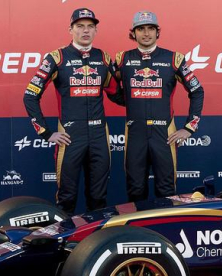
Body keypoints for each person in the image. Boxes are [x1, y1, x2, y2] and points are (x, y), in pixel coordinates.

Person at [23, 8, 121, 216]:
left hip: (98, 136)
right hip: (70, 136)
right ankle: (64, 244)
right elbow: (30, 95)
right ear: (71, 29)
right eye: (80, 26)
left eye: (90, 27)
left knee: (98, 198)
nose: (85, 31)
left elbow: (116, 93)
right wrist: (47, 133)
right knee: (67, 197)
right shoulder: (56, 57)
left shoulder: (103, 58)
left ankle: (94, 245)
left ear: (96, 30)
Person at [114, 11, 204, 201]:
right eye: (141, 29)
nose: (146, 33)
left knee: (166, 190)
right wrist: (130, 99)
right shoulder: (122, 59)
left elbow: (197, 90)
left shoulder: (174, 59)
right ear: (133, 33)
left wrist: (190, 127)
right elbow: (111, 89)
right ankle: (138, 230)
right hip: (135, 132)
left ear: (157, 32)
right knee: (135, 190)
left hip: (164, 133)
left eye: (150, 28)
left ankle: (164, 230)